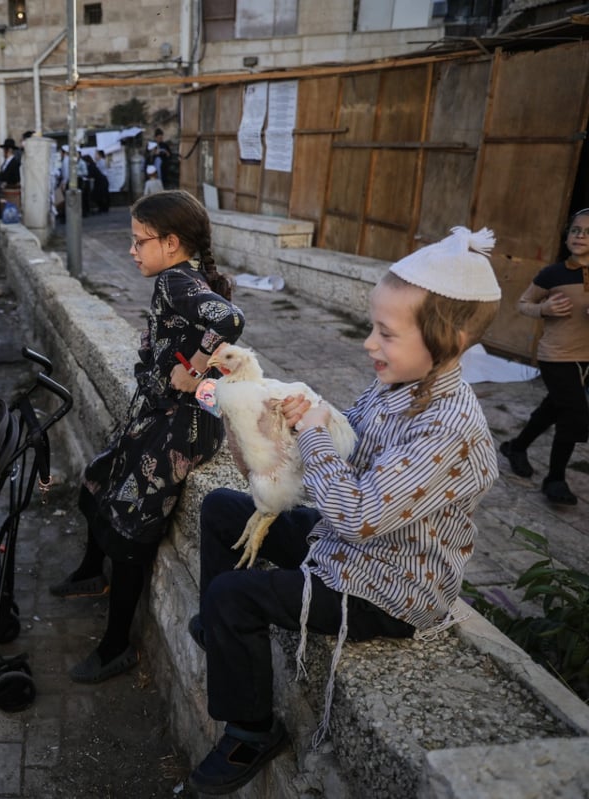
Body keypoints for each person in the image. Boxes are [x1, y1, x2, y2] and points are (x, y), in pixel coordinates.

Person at [187, 226, 501, 795]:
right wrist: (295, 414)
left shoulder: (451, 428)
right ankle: (218, 634)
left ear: (447, 339)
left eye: (385, 332)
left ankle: (251, 730)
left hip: (390, 587)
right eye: (371, 329)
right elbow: (348, 435)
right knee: (222, 509)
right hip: (348, 545)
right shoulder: (400, 383)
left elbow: (357, 514)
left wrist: (311, 435)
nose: (369, 344)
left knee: (233, 597)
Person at [49, 190, 245, 683]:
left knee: (133, 529)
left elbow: (230, 319)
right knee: (98, 477)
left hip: (180, 427)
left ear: (172, 243)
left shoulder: (176, 280)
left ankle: (117, 646)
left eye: (140, 241)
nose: (133, 251)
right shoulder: (177, 278)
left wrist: (197, 368)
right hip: (159, 417)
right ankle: (92, 573)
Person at [498, 207, 589, 505]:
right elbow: (523, 304)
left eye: (588, 232)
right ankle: (556, 479)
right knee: (574, 412)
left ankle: (516, 446)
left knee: (555, 406)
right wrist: (544, 310)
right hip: (556, 355)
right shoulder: (553, 273)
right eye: (576, 230)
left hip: (585, 358)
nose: (581, 236)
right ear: (567, 235)